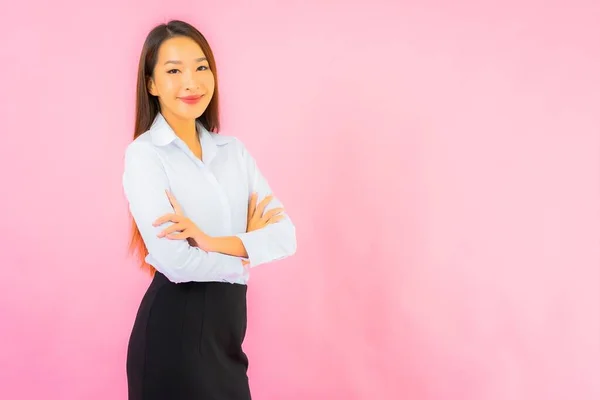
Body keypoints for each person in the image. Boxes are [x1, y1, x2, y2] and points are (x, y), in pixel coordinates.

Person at [122, 20, 297, 400]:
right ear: (151, 84)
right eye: (173, 71)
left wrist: (208, 241)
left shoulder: (233, 152)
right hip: (174, 336)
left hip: (228, 336)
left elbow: (286, 237)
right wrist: (245, 254)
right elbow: (176, 262)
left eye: (201, 67)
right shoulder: (145, 155)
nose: (192, 82)